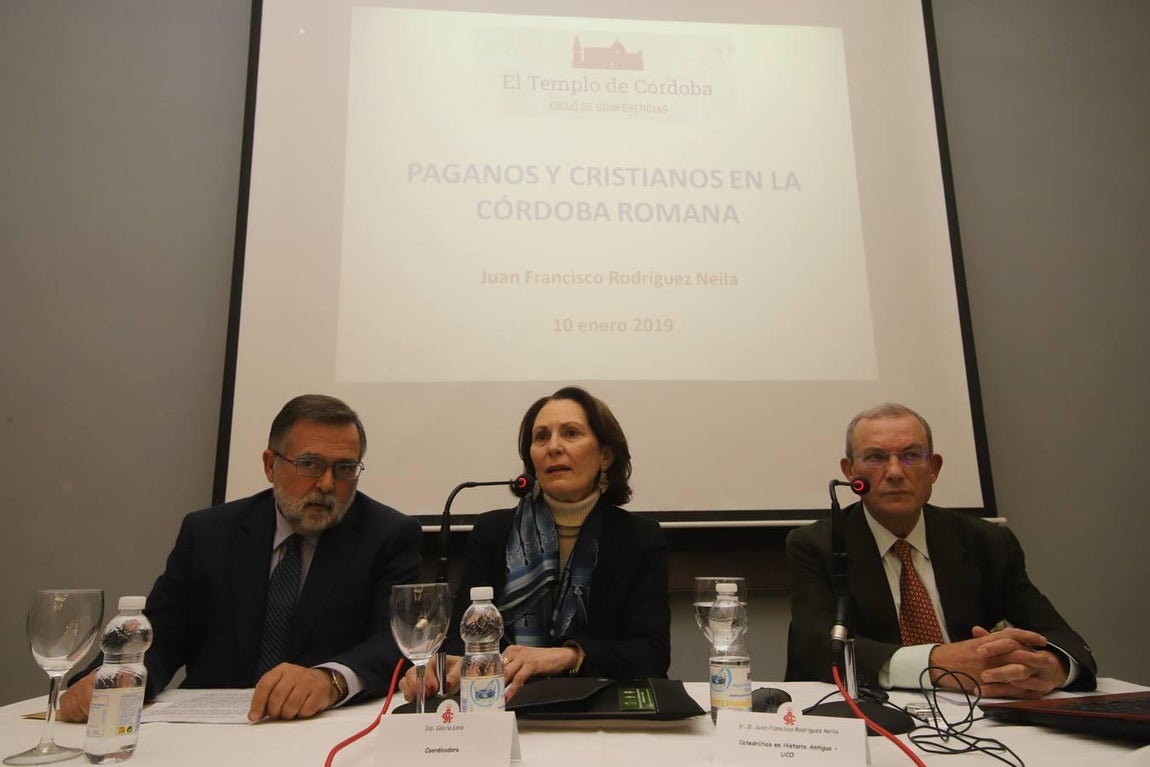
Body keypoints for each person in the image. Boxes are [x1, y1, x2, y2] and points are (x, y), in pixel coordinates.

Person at [59, 394, 422, 722]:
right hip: (205, 730)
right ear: (270, 465)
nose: (327, 484)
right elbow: (163, 632)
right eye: (309, 464)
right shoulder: (209, 533)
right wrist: (119, 675)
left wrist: (331, 678)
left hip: (318, 726)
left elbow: (397, 642)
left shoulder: (387, 535)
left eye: (344, 468)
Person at [786, 402, 1096, 698]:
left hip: (980, 714)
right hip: (877, 714)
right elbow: (815, 648)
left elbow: (1062, 639)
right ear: (850, 472)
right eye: (876, 458)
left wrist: (1053, 668)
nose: (894, 472)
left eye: (910, 456)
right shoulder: (818, 545)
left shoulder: (987, 542)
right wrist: (936, 662)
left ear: (933, 468)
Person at [401, 386, 670, 702]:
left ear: (605, 456)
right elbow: (465, 642)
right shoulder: (493, 531)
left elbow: (651, 655)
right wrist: (443, 666)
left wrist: (566, 656)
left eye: (570, 433)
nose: (553, 447)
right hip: (503, 704)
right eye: (541, 437)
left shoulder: (639, 537)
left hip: (598, 709)